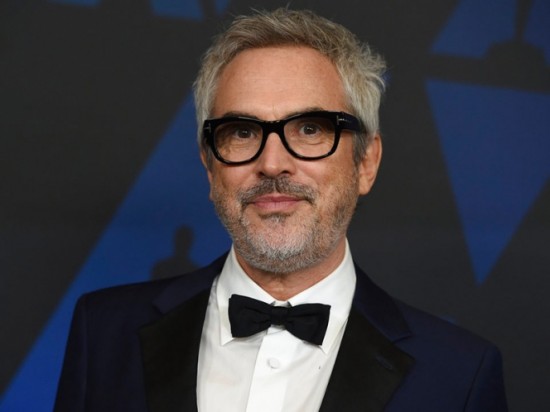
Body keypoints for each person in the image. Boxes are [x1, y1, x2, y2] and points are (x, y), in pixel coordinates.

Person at [54, 8, 507, 412]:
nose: (272, 164)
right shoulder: (104, 333)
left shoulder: (458, 376)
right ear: (210, 167)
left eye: (310, 129)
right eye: (242, 132)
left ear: (366, 163)